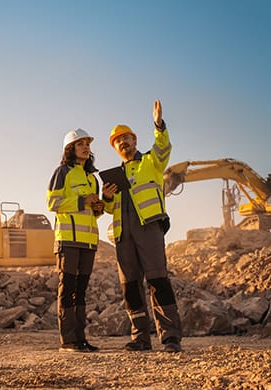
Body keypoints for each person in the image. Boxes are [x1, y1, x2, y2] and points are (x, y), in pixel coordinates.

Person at [102, 99, 183, 353]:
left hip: (149, 228)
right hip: (122, 234)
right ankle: (140, 337)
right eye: (118, 141)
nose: (122, 143)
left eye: (126, 138)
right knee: (130, 287)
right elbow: (108, 208)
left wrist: (158, 124)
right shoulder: (114, 177)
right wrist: (105, 197)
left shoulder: (151, 162)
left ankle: (170, 337)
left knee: (158, 280)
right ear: (115, 148)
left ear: (135, 141)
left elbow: (163, 147)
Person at [47, 128, 103, 353]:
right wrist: (82, 201)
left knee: (80, 291)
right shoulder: (62, 172)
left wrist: (99, 207)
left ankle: (80, 339)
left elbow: (94, 212)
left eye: (87, 144)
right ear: (70, 149)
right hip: (68, 240)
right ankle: (68, 340)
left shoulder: (92, 178)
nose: (86, 147)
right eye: (80, 144)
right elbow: (53, 203)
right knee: (67, 288)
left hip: (88, 242)